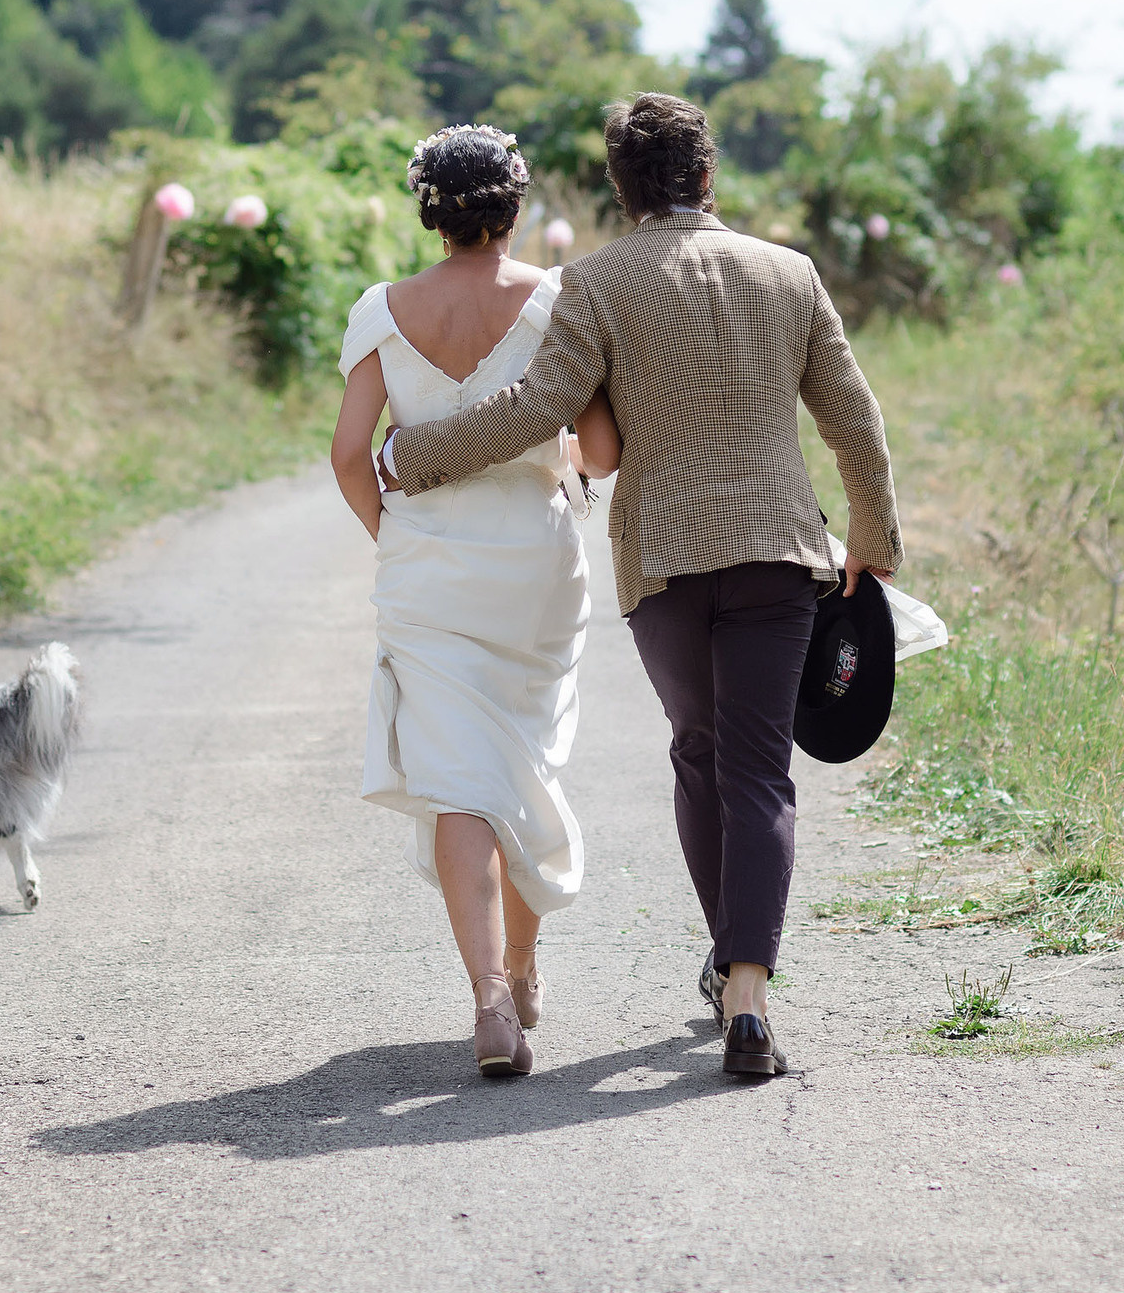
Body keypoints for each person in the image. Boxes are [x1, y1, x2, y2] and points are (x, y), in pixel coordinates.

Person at [382, 92, 900, 1077]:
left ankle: (730, 964)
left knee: (699, 752)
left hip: (663, 561)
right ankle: (745, 992)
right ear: (707, 177)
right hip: (778, 553)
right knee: (757, 768)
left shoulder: (598, 281)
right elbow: (855, 422)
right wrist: (870, 542)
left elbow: (539, 407)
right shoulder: (787, 273)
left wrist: (415, 455)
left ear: (622, 193)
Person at [330, 125, 621, 1079]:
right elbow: (599, 445)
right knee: (523, 766)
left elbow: (348, 453)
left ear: (428, 209)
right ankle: (526, 969)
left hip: (427, 567)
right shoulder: (556, 299)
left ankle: (490, 998)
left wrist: (400, 540)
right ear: (515, 208)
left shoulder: (382, 309)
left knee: (461, 780)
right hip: (534, 566)